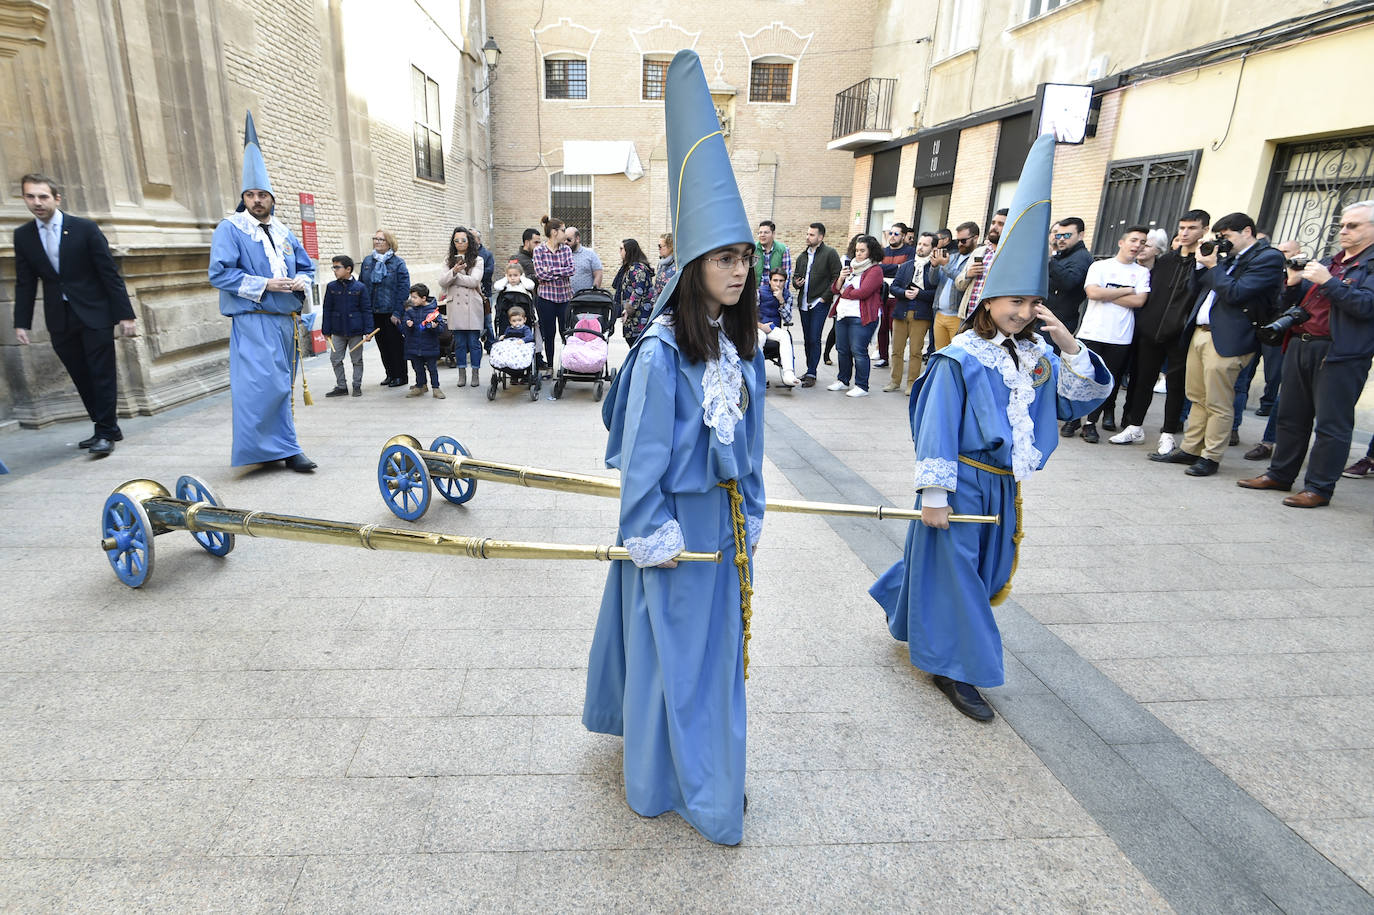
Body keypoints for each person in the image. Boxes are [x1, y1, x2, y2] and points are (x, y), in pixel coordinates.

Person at [583, 49, 764, 848]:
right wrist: (651, 541)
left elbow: (751, 449)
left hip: (721, 530)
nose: (739, 269)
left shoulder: (737, 348)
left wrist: (749, 515)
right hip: (675, 536)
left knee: (708, 660)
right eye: (724, 257)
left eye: (745, 255)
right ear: (692, 267)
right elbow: (644, 466)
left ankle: (710, 766)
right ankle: (675, 783)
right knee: (673, 658)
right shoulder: (662, 354)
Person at [870, 134, 1112, 723]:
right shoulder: (960, 358)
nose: (1023, 311)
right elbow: (934, 427)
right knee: (960, 578)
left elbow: (1083, 399)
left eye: (1033, 302)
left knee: (980, 569)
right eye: (1012, 301)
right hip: (961, 482)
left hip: (1005, 487)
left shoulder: (1034, 356)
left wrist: (1065, 339)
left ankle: (903, 601)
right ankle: (958, 667)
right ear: (986, 299)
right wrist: (933, 493)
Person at [1238, 200, 1374, 507]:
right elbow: (1302, 304)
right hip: (1301, 343)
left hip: (1339, 352)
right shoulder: (1333, 260)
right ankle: (1280, 474)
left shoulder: (1363, 265)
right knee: (1290, 417)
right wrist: (1294, 283)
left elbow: (1366, 306)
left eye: (1353, 225)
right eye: (1342, 225)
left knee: (1331, 425)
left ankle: (1319, 488)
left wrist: (1328, 281)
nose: (1344, 231)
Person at [207, 112, 317, 472]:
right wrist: (266, 284)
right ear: (244, 197)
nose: (257, 200)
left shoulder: (285, 232)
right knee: (262, 387)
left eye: (263, 195)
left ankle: (280, 449)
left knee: (282, 384)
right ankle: (284, 449)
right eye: (251, 194)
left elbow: (307, 266)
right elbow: (219, 273)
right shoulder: (231, 228)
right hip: (253, 320)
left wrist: (302, 281)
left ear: (272, 198)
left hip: (285, 320)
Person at [12, 172, 136, 456]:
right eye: (30, 197)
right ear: (25, 199)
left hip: (95, 314)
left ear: (57, 198)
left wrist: (125, 314)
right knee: (81, 374)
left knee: (101, 373)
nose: (37, 202)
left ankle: (105, 432)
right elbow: (25, 282)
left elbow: (109, 273)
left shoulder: (84, 229)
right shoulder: (23, 236)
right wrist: (22, 323)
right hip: (60, 317)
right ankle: (107, 425)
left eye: (43, 196)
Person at [1152, 212, 1284, 477]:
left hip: (1228, 338)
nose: (1223, 242)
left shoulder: (1268, 258)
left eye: (1227, 237)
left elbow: (1236, 293)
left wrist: (1214, 266)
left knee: (1218, 401)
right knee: (1197, 397)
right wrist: (1201, 265)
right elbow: (1195, 288)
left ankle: (1210, 456)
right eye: (1220, 237)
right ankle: (1191, 448)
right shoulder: (1227, 259)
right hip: (1200, 333)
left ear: (1247, 232)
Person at [1110, 210, 1209, 452]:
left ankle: (1167, 433)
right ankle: (1134, 426)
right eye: (1182, 227)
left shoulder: (1205, 266)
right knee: (1142, 380)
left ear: (1204, 231)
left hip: (1180, 335)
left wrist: (1203, 263)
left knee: (1175, 385)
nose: (1185, 233)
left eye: (1192, 228)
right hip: (1150, 331)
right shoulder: (1164, 262)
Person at [1070, 225, 1150, 443]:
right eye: (1134, 240)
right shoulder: (1100, 266)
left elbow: (1140, 301)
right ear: (1121, 242)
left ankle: (1090, 423)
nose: (1137, 245)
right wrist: (1125, 290)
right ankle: (1074, 417)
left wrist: (1107, 293)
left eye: (1142, 242)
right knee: (1083, 376)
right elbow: (1093, 293)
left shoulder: (1142, 272)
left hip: (1120, 336)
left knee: (1106, 381)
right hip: (1092, 331)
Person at [827, 234, 884, 398]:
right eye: (857, 250)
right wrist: (841, 279)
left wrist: (846, 292)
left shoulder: (875, 270)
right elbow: (835, 289)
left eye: (862, 251)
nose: (858, 254)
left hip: (862, 316)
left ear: (871, 252)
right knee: (842, 349)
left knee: (859, 351)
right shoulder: (851, 267)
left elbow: (864, 292)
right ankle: (843, 380)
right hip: (843, 314)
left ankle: (861, 385)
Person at [790, 222, 842, 386]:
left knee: (814, 338)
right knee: (807, 339)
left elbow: (837, 277)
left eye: (811, 235)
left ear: (821, 237)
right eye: (807, 234)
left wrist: (824, 298)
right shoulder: (802, 256)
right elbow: (795, 278)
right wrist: (796, 283)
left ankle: (812, 372)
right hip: (804, 303)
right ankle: (809, 370)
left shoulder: (830, 253)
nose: (808, 237)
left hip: (819, 303)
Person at [886, 231, 937, 394]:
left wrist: (919, 294)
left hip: (921, 314)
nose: (921, 247)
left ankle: (911, 384)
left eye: (925, 245)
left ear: (933, 248)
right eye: (920, 244)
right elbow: (893, 286)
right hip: (901, 311)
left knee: (915, 351)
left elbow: (936, 293)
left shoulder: (935, 268)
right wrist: (903, 293)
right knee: (896, 350)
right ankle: (894, 381)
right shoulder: (907, 265)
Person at [359, 229, 411, 388]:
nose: (377, 241)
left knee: (395, 345)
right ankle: (389, 373)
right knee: (382, 345)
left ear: (389, 242)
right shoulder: (368, 262)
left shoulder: (398, 263)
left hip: (391, 311)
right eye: (375, 238)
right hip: (374, 311)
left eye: (381, 239)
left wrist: (397, 312)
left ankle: (400, 376)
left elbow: (403, 288)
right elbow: (362, 284)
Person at [438, 226, 486, 388]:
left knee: (473, 342)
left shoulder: (478, 260)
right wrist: (453, 271)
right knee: (458, 342)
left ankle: (475, 373)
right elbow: (442, 282)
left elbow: (474, 281)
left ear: (469, 241)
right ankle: (461, 373)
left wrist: (456, 275)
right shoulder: (448, 260)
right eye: (456, 240)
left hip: (472, 304)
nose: (460, 243)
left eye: (463, 240)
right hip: (455, 306)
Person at [321, 254, 370, 397]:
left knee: (357, 359)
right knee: (335, 359)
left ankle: (357, 385)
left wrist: (368, 331)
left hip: (355, 330)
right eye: (333, 267)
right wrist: (326, 330)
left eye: (337, 267)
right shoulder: (331, 287)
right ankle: (341, 386)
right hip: (337, 330)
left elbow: (366, 310)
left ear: (348, 269)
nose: (334, 270)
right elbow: (327, 309)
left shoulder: (360, 287)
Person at [532, 215, 574, 372]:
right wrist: (559, 272)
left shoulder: (566, 250)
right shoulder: (539, 250)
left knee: (567, 334)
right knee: (548, 334)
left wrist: (551, 271)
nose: (566, 234)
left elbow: (571, 270)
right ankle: (550, 366)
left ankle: (568, 365)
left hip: (565, 298)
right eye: (563, 230)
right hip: (546, 299)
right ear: (555, 232)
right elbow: (540, 275)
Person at [930, 222, 978, 350]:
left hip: (958, 316)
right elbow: (933, 281)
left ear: (975, 238)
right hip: (939, 313)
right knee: (939, 354)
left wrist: (946, 266)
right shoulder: (952, 257)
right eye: (958, 240)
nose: (959, 244)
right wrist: (934, 266)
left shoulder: (975, 261)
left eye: (963, 240)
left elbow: (961, 282)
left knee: (956, 354)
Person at [877, 223, 916, 368]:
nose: (892, 237)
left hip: (898, 295)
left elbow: (907, 270)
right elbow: (878, 268)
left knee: (896, 329)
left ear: (904, 236)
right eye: (890, 233)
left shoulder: (910, 251)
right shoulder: (883, 251)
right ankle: (883, 357)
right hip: (882, 294)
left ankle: (897, 357)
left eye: (896, 234)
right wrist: (897, 267)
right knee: (882, 327)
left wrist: (888, 268)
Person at [1045, 217, 1092, 338]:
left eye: (1067, 236)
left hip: (1060, 321)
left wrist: (1050, 260)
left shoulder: (1081, 257)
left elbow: (1069, 282)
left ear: (1080, 235)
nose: (1061, 239)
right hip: (1048, 317)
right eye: (1058, 235)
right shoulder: (1063, 255)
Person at [401, 284, 446, 399]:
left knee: (432, 369)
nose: (412, 300)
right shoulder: (410, 312)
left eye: (415, 297)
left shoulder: (433, 312)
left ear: (424, 298)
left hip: (430, 346)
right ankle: (420, 386)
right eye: (412, 297)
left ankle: (436, 388)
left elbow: (441, 329)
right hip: (414, 346)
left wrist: (434, 327)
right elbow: (404, 328)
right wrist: (408, 325)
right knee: (418, 369)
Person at [758, 268, 799, 387]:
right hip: (758, 326)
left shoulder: (787, 295)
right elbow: (748, 314)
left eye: (781, 281)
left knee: (785, 335)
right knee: (760, 338)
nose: (778, 283)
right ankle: (759, 375)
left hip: (772, 328)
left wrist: (781, 300)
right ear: (769, 281)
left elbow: (787, 319)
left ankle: (788, 375)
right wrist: (760, 326)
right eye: (775, 280)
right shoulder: (760, 292)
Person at [614, 238, 656, 345]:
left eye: (621, 249)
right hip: (633, 317)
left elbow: (638, 291)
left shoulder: (637, 269)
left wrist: (627, 309)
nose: (620, 252)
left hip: (638, 317)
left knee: (636, 345)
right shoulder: (630, 268)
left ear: (629, 251)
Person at [489, 303, 536, 372]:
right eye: (514, 321)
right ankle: (505, 363)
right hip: (510, 345)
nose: (517, 323)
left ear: (524, 320)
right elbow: (506, 336)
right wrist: (503, 337)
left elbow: (530, 337)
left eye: (519, 320)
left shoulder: (525, 328)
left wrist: (523, 340)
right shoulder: (509, 329)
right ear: (510, 321)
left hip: (521, 345)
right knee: (500, 348)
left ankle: (519, 368)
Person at [753, 220, 791, 292]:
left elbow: (786, 275)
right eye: (760, 232)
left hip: (775, 292)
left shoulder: (783, 250)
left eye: (766, 232)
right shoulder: (753, 249)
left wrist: (782, 293)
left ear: (773, 234)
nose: (762, 235)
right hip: (756, 291)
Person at [567, 226, 604, 293]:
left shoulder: (590, 254)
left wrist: (594, 292)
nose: (566, 242)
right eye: (564, 240)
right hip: (566, 299)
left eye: (569, 240)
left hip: (585, 298)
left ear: (577, 239)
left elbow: (598, 274)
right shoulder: (562, 255)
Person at [513, 228, 540, 294]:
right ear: (527, 242)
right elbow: (514, 279)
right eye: (536, 242)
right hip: (524, 298)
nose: (538, 245)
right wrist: (539, 274)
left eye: (539, 242)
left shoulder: (538, 257)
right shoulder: (515, 259)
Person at [652, 232, 677, 303]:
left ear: (670, 246)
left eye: (660, 246)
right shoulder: (661, 265)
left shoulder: (677, 265)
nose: (659, 249)